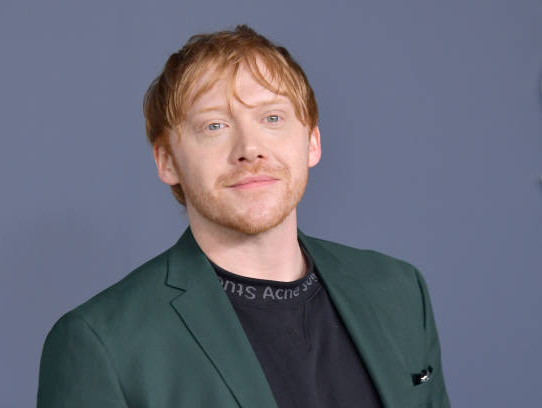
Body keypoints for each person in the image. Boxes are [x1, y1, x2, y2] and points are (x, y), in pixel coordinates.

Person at [37, 25, 450, 408]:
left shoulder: (399, 291)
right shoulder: (102, 342)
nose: (250, 149)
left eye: (272, 118)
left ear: (312, 141)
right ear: (167, 162)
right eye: (214, 126)